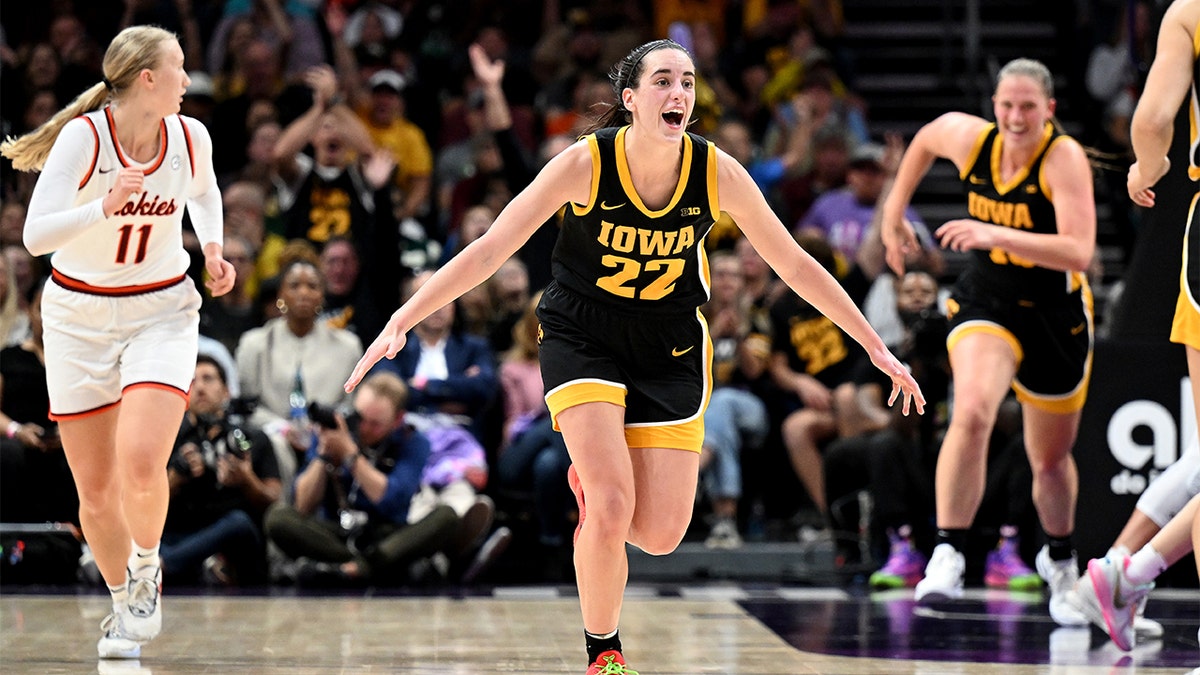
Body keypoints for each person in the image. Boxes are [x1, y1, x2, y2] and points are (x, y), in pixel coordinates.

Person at [344, 39, 923, 675]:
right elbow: (490, 249)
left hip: (670, 342)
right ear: (630, 99)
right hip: (582, 333)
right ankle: (605, 656)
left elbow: (794, 264)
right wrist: (403, 319)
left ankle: (596, 494)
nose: (678, 93)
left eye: (688, 82)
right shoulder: (585, 163)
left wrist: (876, 347)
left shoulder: (716, 171)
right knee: (612, 502)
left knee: (661, 535)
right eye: (663, 81)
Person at [0, 25, 235, 659]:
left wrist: (210, 246)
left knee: (140, 458)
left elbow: (205, 193)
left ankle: (148, 570)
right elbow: (34, 236)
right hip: (77, 319)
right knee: (96, 493)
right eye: (180, 68)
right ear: (147, 80)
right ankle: (123, 602)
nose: (189, 80)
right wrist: (103, 206)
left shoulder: (190, 137)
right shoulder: (84, 138)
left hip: (161, 311)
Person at [880, 58, 1097, 626]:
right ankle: (948, 549)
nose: (1016, 116)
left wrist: (995, 232)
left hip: (1054, 312)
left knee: (1048, 460)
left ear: (1049, 109)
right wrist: (893, 208)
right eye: (1006, 105)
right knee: (972, 409)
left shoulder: (1063, 158)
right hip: (987, 300)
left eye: (1028, 106)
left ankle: (1060, 558)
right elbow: (924, 140)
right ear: (994, 106)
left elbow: (1079, 251)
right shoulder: (971, 138)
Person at [264, 371, 461, 587]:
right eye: (361, 418)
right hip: (335, 533)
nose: (364, 428)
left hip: (386, 535)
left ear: (397, 420)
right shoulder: (335, 431)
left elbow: (391, 499)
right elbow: (302, 504)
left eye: (375, 423)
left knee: (447, 517)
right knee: (278, 518)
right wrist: (323, 455)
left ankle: (349, 570)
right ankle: (373, 569)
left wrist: (351, 456)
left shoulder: (414, 442)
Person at [162, 355, 281, 586]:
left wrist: (247, 480)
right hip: (183, 532)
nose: (200, 387)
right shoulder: (169, 438)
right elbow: (144, 503)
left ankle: (161, 566)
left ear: (226, 391)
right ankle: (178, 561)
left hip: (233, 538)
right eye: (193, 381)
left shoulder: (251, 438)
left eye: (208, 379)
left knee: (239, 522)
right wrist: (176, 477)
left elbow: (274, 502)